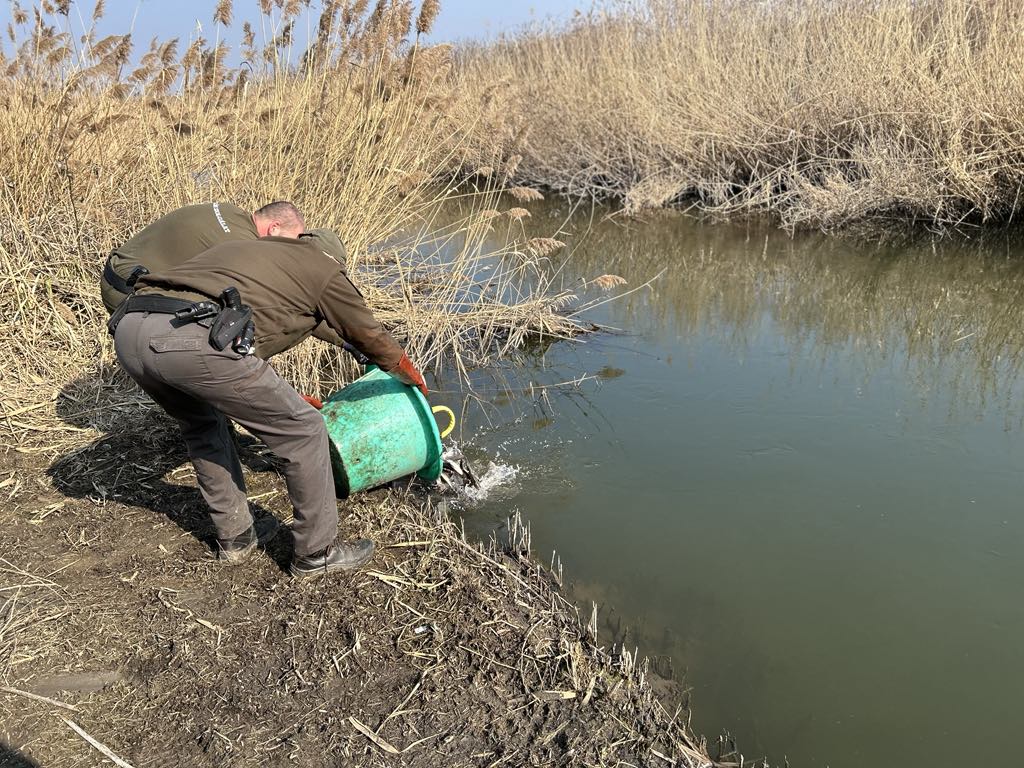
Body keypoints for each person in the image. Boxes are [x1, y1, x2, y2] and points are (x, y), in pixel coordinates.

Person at [109, 229, 428, 579]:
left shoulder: (253, 254)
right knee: (304, 429)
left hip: (131, 330)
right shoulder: (323, 268)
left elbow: (299, 332)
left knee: (202, 424)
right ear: (334, 260)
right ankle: (317, 552)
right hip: (191, 339)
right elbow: (368, 333)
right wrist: (409, 375)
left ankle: (236, 537)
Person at [100, 201, 305, 313]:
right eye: (291, 239)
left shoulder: (229, 210)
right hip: (126, 292)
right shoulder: (243, 243)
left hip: (115, 271)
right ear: (274, 228)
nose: (288, 247)